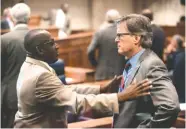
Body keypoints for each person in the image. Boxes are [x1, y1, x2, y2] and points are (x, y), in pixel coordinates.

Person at [14, 29, 152, 128]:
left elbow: (62, 90)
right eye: (51, 43)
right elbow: (78, 102)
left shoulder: (31, 65)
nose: (57, 46)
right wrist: (121, 97)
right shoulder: (40, 75)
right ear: (40, 50)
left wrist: (101, 88)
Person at [113, 14, 180, 128]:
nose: (116, 40)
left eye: (120, 35)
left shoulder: (152, 64)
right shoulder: (132, 62)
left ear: (136, 38)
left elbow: (170, 106)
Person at [1, 3, 31, 128]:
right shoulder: (40, 36)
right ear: (29, 18)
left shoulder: (4, 39)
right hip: (36, 94)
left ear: (12, 19)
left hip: (11, 97)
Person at [87, 9, 126, 81]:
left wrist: (95, 64)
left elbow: (90, 50)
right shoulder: (123, 33)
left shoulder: (99, 32)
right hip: (119, 74)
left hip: (101, 74)